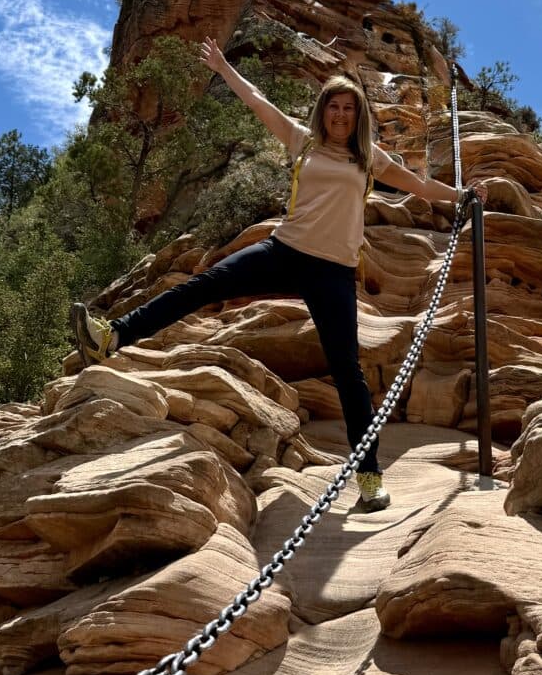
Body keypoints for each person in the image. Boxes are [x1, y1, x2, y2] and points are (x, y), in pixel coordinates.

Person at [71, 36, 488, 511]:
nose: (341, 116)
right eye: (334, 107)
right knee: (206, 284)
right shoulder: (301, 140)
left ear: (359, 117)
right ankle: (112, 337)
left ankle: (369, 476)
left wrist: (462, 196)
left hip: (333, 272)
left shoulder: (367, 158)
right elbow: (258, 102)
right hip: (284, 250)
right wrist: (225, 69)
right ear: (322, 111)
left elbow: (416, 185)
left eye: (349, 109)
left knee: (347, 372)